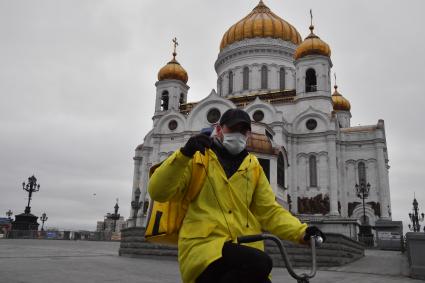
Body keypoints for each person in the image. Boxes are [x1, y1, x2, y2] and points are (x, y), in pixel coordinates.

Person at [148, 109, 326, 283]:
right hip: (204, 248)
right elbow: (158, 191)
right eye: (232, 129)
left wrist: (302, 231)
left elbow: (270, 211)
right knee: (261, 262)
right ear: (218, 129)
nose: (238, 135)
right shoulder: (197, 158)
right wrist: (184, 154)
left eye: (243, 131)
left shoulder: (253, 166)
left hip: (245, 247)